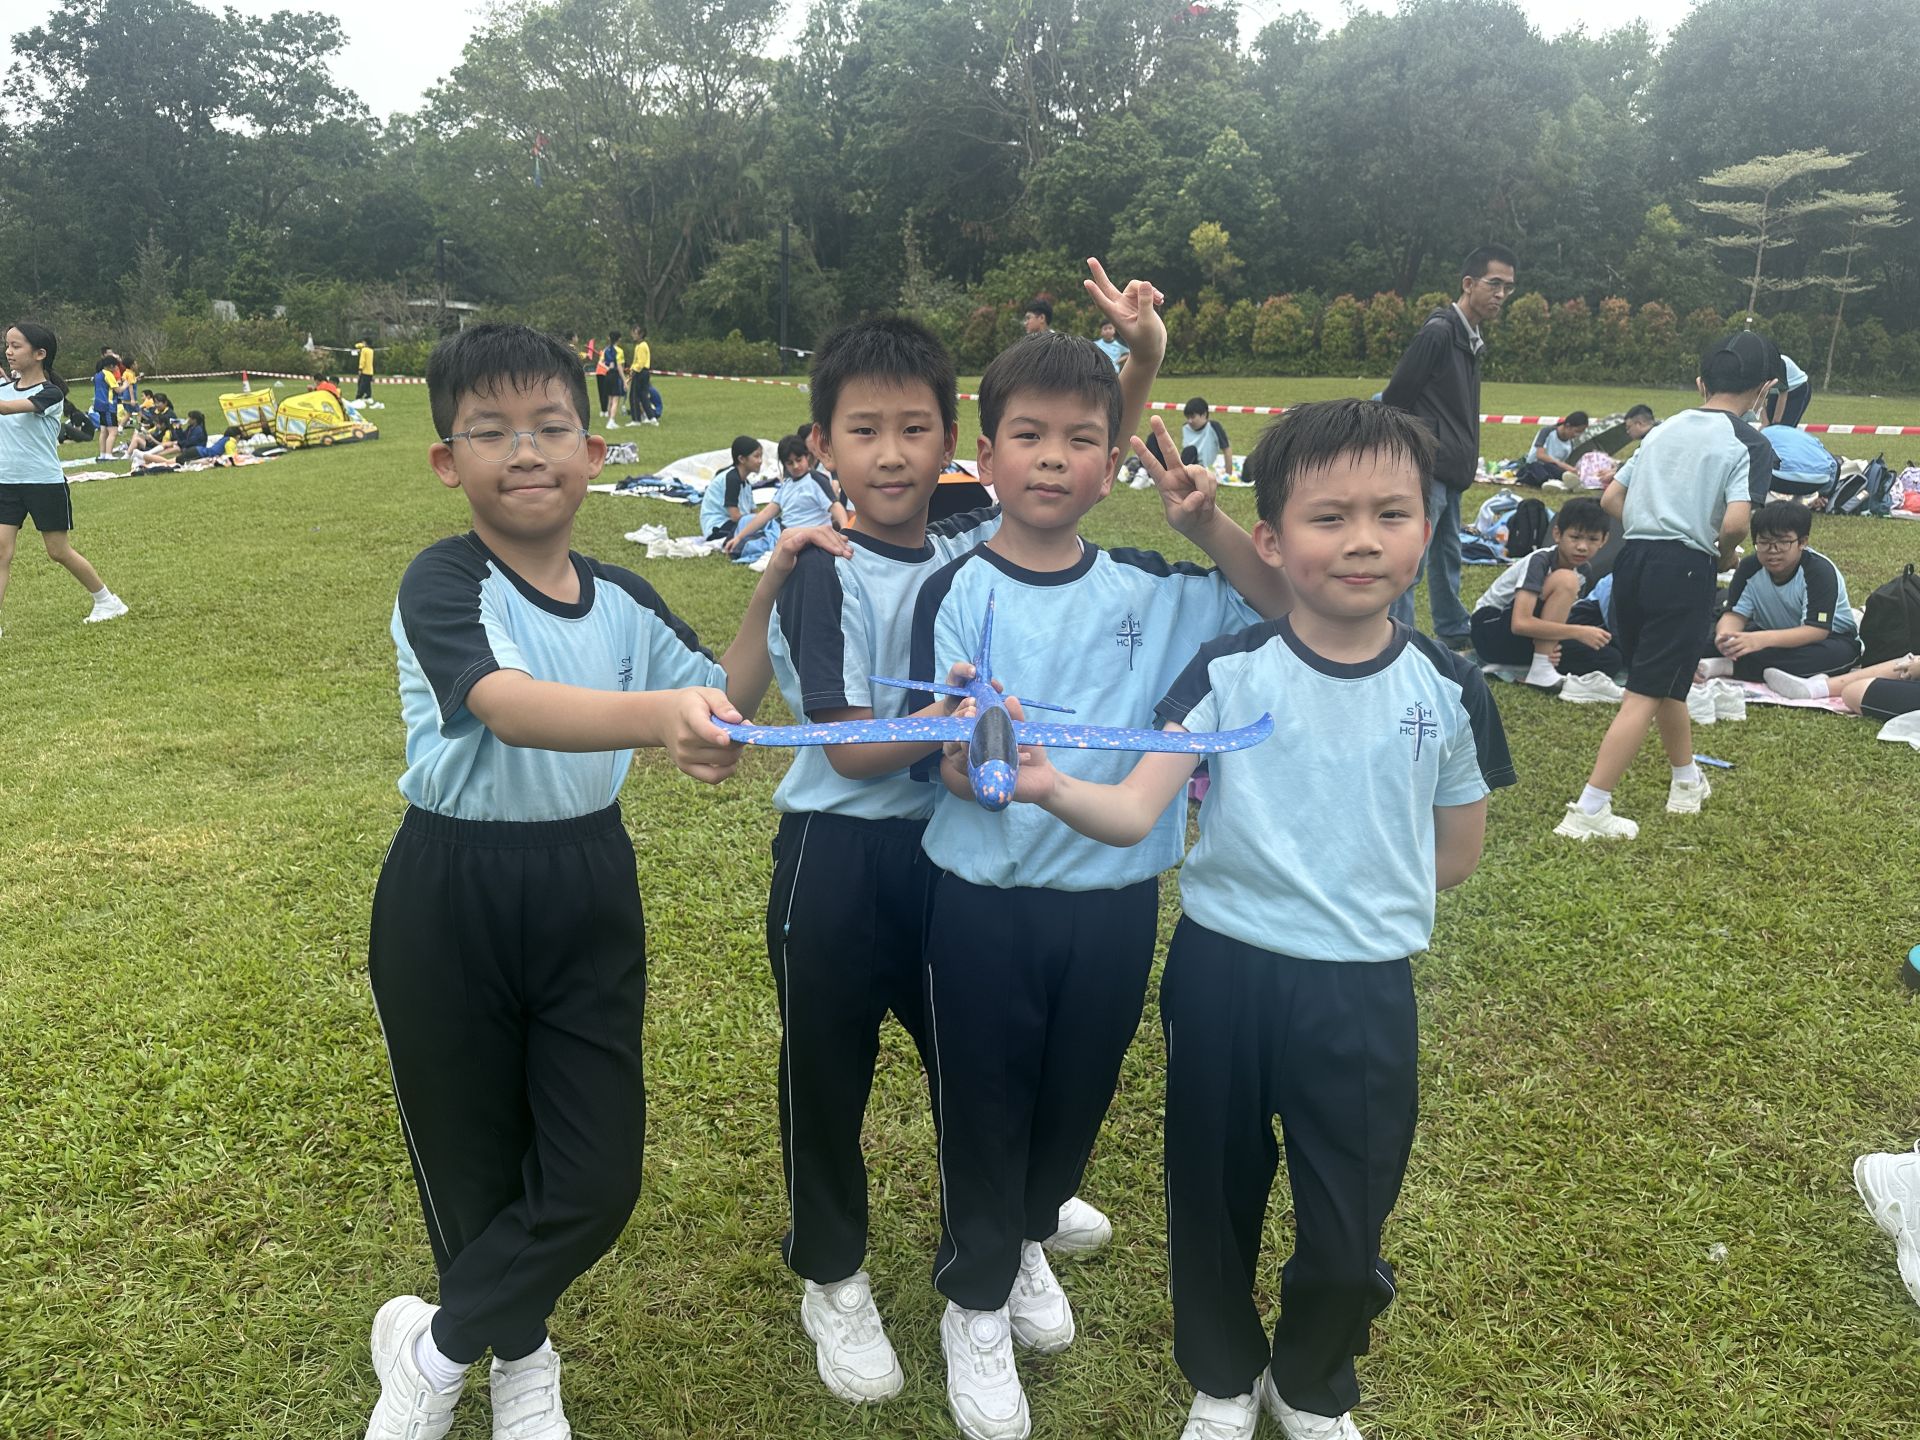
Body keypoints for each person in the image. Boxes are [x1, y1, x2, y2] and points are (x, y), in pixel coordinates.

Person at [360, 323, 848, 1440]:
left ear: (592, 451)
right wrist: (656, 717)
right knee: (472, 1158)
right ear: (446, 461)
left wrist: (770, 587)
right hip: (449, 891)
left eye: (549, 427)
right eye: (490, 432)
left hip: (586, 888)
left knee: (594, 1176)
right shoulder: (444, 579)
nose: (524, 451)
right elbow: (503, 703)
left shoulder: (622, 597)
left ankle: (430, 1347)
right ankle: (519, 1362)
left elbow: (723, 699)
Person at [999, 398, 1513, 1440]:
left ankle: (1310, 1383)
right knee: (1213, 1194)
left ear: (1427, 530)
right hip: (1224, 977)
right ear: (1272, 541)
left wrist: (1347, 882)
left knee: (1349, 1221)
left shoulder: (1451, 688)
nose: (1362, 541)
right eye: (1329, 518)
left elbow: (1455, 855)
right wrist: (1049, 785)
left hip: (1364, 993)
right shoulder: (1229, 671)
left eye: (1391, 514)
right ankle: (1225, 1379)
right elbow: (1136, 809)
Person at [909, 314, 1291, 1440]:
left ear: (1114, 459)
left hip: (1115, 902)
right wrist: (971, 755)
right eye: (1028, 436)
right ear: (986, 454)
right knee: (984, 1103)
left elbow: (1284, 609)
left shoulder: (1155, 588)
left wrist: (1210, 524)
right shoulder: (954, 589)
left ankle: (1030, 1232)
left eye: (1082, 439)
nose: (1052, 459)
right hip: (982, 903)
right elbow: (937, 749)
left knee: (1078, 1095)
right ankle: (975, 1301)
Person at [757, 315, 1002, 1409]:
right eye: (864, 431)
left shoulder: (966, 538)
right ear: (822, 446)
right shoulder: (824, 568)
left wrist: (1138, 361)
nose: (892, 454)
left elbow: (1069, 457)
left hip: (951, 855)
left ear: (951, 438)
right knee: (827, 1075)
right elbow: (850, 749)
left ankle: (1002, 1241)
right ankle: (832, 1275)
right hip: (839, 860)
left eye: (915, 429)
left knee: (975, 1063)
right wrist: (957, 721)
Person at [1554, 332, 1776, 841]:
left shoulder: (1661, 430)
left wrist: (1654, 520)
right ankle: (1589, 810)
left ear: (1701, 383)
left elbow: (1611, 499)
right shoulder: (1749, 442)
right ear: (1764, 390)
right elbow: (1737, 522)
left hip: (1631, 560)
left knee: (1666, 678)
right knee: (1644, 692)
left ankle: (1686, 781)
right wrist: (1722, 553)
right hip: (1686, 568)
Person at [1384, 244, 1517, 649]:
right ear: (1469, 283)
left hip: (1453, 469)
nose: (1501, 295)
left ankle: (1454, 627)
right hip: (1429, 468)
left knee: (1447, 556)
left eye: (1508, 288)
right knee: (1414, 561)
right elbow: (1396, 397)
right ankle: (1397, 640)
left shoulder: (1470, 339)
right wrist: (1422, 449)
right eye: (1494, 284)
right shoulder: (1440, 332)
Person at [0, 322, 130, 638]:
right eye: (7, 345)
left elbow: (5, 409)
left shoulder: (51, 394)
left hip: (44, 484)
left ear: (40, 354)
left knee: (58, 551)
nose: (9, 351)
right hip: (6, 483)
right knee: (1, 552)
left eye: (16, 346)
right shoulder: (4, 388)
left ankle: (107, 601)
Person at [1696, 501, 1859, 686]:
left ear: (1802, 542)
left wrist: (1760, 640)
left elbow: (1817, 631)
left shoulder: (1818, 571)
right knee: (1703, 641)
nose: (1773, 551)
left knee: (1833, 656)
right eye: (1764, 543)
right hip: (1767, 633)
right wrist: (1726, 637)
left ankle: (1729, 666)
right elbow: (1735, 614)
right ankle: (1741, 662)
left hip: (1827, 639)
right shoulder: (1750, 568)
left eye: (1783, 543)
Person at [1468, 494, 1612, 690]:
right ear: (1557, 534)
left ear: (1604, 540)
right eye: (1575, 537)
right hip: (1492, 630)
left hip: (1529, 638)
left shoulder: (1584, 570)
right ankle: (1541, 668)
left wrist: (1556, 643)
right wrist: (1577, 632)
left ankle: (1540, 662)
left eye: (1592, 539)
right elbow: (1520, 623)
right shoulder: (1540, 561)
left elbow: (1559, 617)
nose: (1582, 547)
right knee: (1566, 580)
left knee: (1609, 659)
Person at [724, 432, 848, 555]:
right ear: (785, 465)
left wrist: (846, 532)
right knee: (745, 522)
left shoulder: (816, 480)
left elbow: (835, 506)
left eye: (799, 460)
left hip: (800, 536)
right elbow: (766, 513)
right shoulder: (787, 484)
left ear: (807, 457)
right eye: (790, 463)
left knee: (743, 547)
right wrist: (739, 537)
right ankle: (735, 539)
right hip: (782, 530)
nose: (796, 466)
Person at [1760, 420, 1840, 507]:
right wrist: (1824, 494)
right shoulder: (1807, 436)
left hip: (1782, 479)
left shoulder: (1764, 432)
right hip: (1818, 481)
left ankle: (1761, 501)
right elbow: (1835, 464)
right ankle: (1797, 503)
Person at [700, 436, 763, 542]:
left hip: (733, 525)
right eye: (756, 456)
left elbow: (754, 512)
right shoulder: (731, 479)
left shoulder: (746, 483)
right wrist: (756, 524)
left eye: (761, 456)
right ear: (741, 459)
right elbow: (735, 516)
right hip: (718, 528)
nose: (760, 461)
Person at [1517, 411, 1588, 488]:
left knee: (1555, 470)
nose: (1578, 435)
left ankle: (1556, 483)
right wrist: (1564, 466)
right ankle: (1553, 482)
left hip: (1552, 468)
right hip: (1535, 465)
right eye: (1577, 431)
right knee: (1538, 469)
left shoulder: (1571, 443)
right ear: (1567, 426)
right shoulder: (1547, 431)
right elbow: (1540, 455)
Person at [91, 353, 121, 460]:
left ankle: (102, 454)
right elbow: (118, 390)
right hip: (108, 406)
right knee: (113, 431)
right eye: (116, 366)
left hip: (99, 405)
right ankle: (109, 455)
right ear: (111, 366)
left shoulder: (97, 375)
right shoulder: (108, 374)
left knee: (104, 431)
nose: (117, 368)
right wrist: (126, 384)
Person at [628, 325, 659, 424]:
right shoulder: (640, 345)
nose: (633, 334)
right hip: (644, 372)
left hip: (640, 372)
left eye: (635, 332)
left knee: (634, 396)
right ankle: (652, 418)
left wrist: (633, 370)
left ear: (641, 334)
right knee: (643, 396)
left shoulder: (641, 346)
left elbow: (640, 363)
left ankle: (636, 420)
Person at [1776, 351, 1813, 429]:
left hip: (1799, 388)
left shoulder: (1780, 364)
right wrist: (1765, 422)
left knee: (1785, 427)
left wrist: (1775, 424)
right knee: (1769, 424)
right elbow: (1759, 395)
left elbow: (1783, 394)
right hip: (1776, 390)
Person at [599, 330, 626, 429]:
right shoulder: (619, 351)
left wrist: (607, 367)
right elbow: (619, 366)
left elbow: (600, 363)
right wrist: (624, 380)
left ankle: (610, 421)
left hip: (607, 376)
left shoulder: (606, 350)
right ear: (619, 339)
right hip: (615, 376)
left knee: (610, 399)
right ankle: (611, 421)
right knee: (615, 400)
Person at [354, 336, 377, 405]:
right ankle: (368, 396)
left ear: (365, 343)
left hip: (365, 371)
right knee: (367, 385)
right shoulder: (371, 350)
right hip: (370, 371)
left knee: (361, 385)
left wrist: (360, 369)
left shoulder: (364, 350)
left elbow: (362, 360)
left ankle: (358, 397)